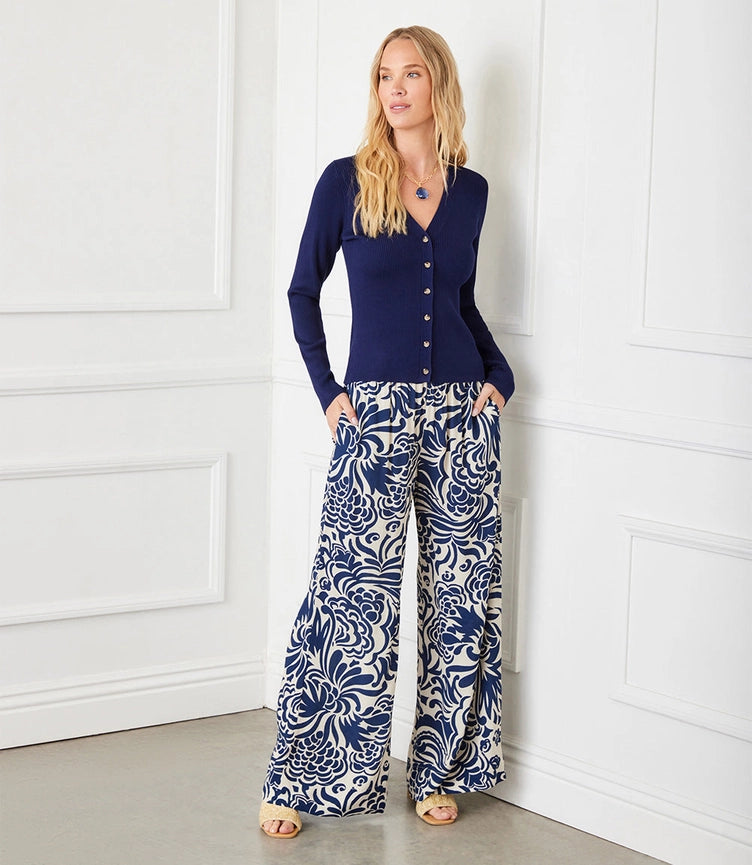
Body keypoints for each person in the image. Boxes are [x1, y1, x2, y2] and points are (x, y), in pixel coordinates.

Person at [259, 25, 514, 839]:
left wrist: (499, 377)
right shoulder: (347, 180)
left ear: (438, 84)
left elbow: (462, 303)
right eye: (383, 76)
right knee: (350, 596)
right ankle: (302, 778)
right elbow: (301, 291)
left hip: (463, 415)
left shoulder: (472, 192)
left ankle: (440, 770)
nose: (395, 89)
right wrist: (329, 393)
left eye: (410, 74)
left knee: (460, 596)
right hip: (371, 416)